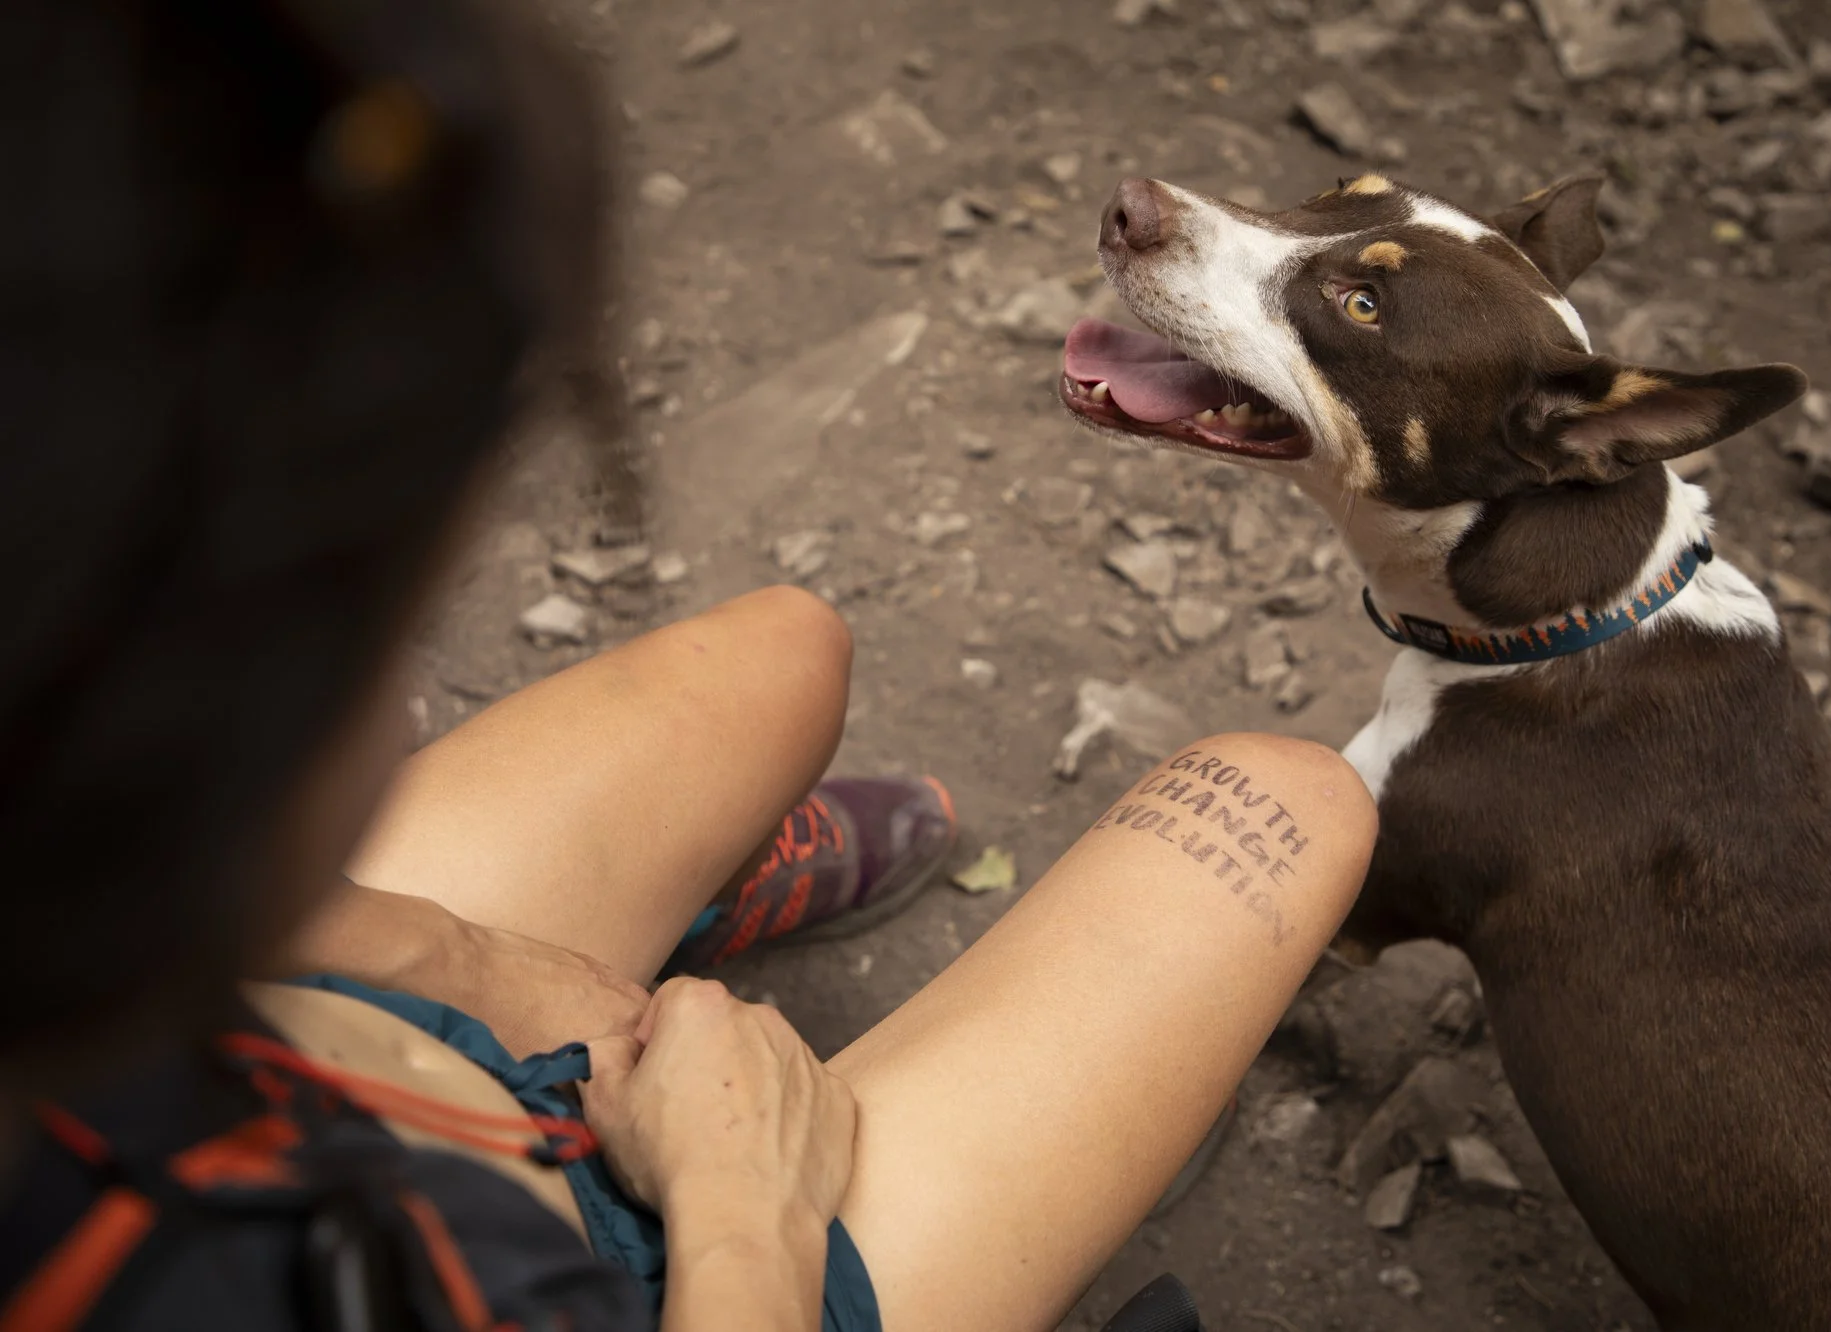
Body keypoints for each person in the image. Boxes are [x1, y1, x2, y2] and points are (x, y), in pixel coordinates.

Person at [0, 2, 1380, 1331]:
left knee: (786, 655)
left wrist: (455, 954)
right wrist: (743, 1208)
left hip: (304, 1025)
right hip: (632, 1277)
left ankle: (676, 922)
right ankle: (1037, 1147)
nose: (411, 702)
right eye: (356, 639)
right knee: (1289, 805)